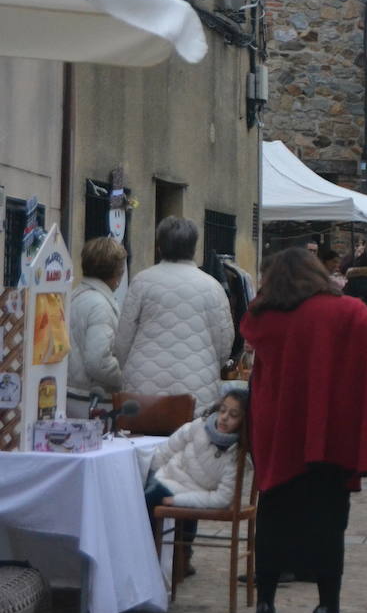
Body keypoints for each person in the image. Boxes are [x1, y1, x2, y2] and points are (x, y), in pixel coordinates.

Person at [241, 247, 367, 613]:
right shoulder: (344, 311)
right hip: (326, 431)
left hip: (278, 429)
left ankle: (265, 608)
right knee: (329, 523)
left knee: (273, 517)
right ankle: (325, 611)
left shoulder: (265, 315)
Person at [113, 217, 234, 414]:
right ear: (194, 247)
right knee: (190, 441)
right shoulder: (212, 287)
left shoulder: (142, 282)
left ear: (159, 246)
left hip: (143, 384)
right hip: (197, 385)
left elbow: (123, 340)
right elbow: (224, 343)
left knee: (141, 440)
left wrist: (130, 368)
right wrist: (209, 364)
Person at [145, 390, 250, 572]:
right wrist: (153, 472)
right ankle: (161, 557)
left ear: (244, 421)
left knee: (158, 498)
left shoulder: (237, 455)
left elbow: (222, 499)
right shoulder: (199, 426)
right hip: (169, 478)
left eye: (233, 415)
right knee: (145, 492)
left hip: (193, 493)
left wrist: (178, 500)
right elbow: (168, 449)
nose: (224, 418)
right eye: (222, 410)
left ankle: (167, 560)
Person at [67, 237, 127, 417]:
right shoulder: (101, 305)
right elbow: (98, 362)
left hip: (72, 394)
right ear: (117, 271)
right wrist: (125, 375)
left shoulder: (75, 295)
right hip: (90, 399)